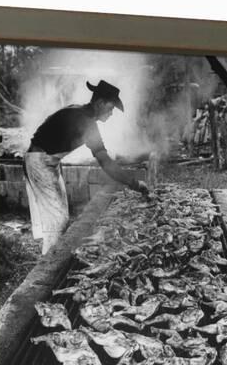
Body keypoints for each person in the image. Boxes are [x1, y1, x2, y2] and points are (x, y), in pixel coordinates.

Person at [24, 80, 149, 254]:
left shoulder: (82, 114)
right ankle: (49, 262)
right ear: (99, 103)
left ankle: (54, 254)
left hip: (48, 161)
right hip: (39, 160)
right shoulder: (85, 121)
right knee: (57, 219)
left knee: (60, 216)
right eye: (111, 108)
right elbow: (106, 163)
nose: (111, 113)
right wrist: (135, 183)